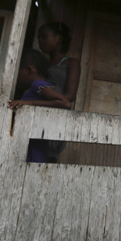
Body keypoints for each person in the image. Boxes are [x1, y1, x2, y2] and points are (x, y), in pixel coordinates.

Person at [8, 49, 71, 162]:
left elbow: (64, 102)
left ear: (28, 70)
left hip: (34, 141)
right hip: (29, 139)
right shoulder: (32, 89)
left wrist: (28, 103)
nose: (15, 77)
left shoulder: (38, 84)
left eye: (16, 72)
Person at [37, 22, 81, 161]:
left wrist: (45, 100)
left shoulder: (71, 63)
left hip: (56, 116)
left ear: (59, 38)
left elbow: (70, 96)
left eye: (45, 36)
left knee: (48, 159)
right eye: (39, 37)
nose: (40, 40)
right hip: (36, 115)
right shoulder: (39, 64)